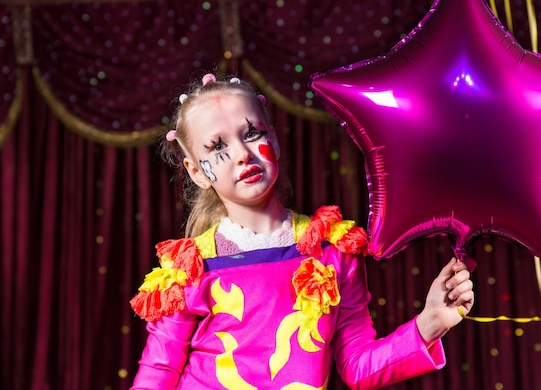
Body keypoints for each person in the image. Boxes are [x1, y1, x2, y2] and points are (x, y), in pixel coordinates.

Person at [129, 73, 474, 390]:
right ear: (196, 172)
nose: (242, 154)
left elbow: (358, 365)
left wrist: (430, 323)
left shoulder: (333, 250)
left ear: (274, 141)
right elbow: (157, 373)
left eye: (252, 134)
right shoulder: (187, 271)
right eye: (218, 146)